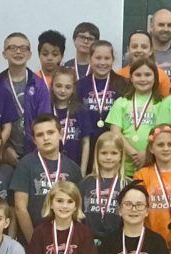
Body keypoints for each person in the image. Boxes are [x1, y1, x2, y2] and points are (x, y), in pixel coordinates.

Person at [10, 113, 83, 242]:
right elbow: (20, 208)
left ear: (60, 134)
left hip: (66, 241)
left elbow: (78, 208)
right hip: (32, 238)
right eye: (39, 135)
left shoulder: (73, 168)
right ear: (34, 140)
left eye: (50, 132)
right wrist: (34, 242)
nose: (46, 138)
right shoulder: (25, 164)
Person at [0, 32, 52, 164]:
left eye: (23, 48)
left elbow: (45, 121)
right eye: (12, 48)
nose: (18, 51)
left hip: (35, 153)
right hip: (4, 153)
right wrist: (4, 148)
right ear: (4, 53)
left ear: (30, 54)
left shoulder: (39, 85)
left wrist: (36, 151)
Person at [106, 58, 164, 177]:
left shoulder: (162, 103)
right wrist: (134, 154)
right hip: (123, 166)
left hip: (152, 164)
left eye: (148, 75)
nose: (143, 79)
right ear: (131, 78)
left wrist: (146, 153)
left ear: (155, 78)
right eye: (138, 75)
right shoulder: (121, 102)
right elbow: (115, 132)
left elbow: (162, 133)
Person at [76, 40, 127, 168]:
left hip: (114, 147)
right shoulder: (79, 86)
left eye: (107, 58)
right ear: (89, 59)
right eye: (98, 58)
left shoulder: (124, 84)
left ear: (113, 60)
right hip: (88, 145)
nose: (102, 63)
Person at [79, 132, 129, 248]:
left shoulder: (127, 185)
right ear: (96, 154)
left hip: (118, 244)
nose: (108, 157)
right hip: (87, 244)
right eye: (104, 153)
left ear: (121, 155)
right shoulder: (85, 183)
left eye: (114, 153)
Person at [49, 67, 85, 167]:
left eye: (68, 87)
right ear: (52, 86)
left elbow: (86, 143)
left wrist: (82, 170)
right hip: (49, 165)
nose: (63, 90)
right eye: (59, 86)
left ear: (73, 89)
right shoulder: (46, 109)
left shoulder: (80, 111)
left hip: (75, 165)